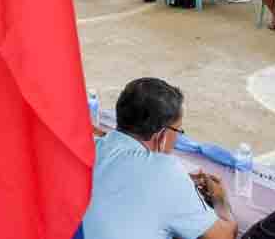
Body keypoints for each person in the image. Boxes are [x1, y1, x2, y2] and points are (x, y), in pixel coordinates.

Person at [81, 78, 237, 239]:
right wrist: (220, 198)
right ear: (162, 135)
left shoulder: (87, 147)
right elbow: (225, 236)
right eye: (178, 131)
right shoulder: (166, 172)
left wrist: (184, 182)